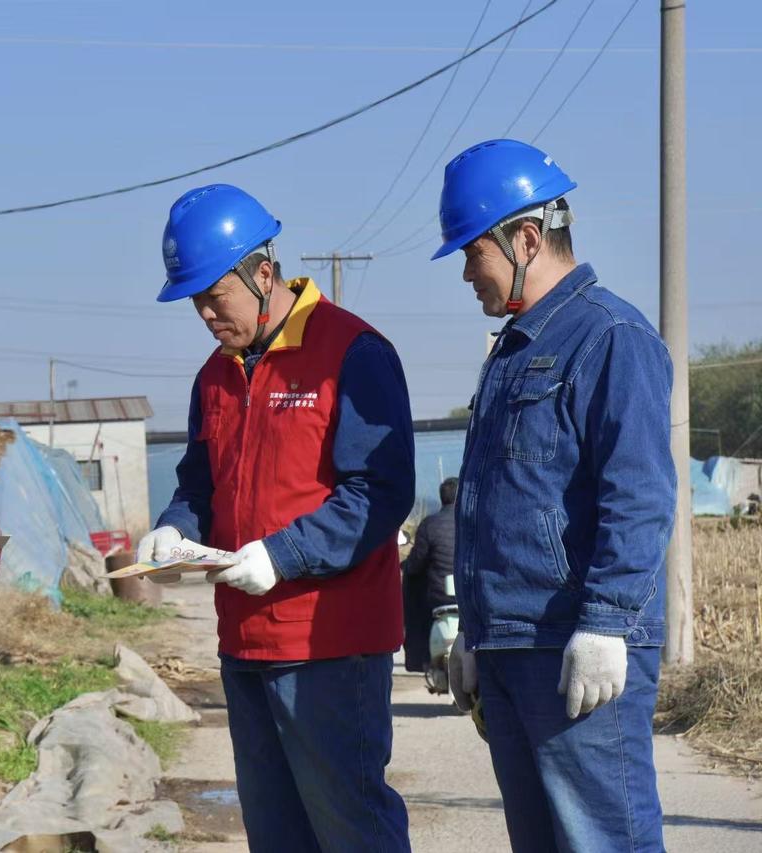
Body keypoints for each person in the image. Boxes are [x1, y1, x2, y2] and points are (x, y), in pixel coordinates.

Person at [142, 184, 415, 851]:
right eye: (195, 301)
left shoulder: (353, 353)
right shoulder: (215, 375)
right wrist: (176, 525)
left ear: (263, 274)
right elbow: (199, 482)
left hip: (330, 643)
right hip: (245, 642)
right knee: (277, 832)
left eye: (215, 295)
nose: (206, 313)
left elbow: (380, 490)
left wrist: (282, 555)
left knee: (352, 826)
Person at [433, 139, 676, 852]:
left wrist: (605, 623)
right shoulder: (513, 352)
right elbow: (492, 505)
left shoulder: (610, 336)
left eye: (472, 253)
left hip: (575, 644)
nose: (467, 274)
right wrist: (475, 632)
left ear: (527, 238)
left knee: (604, 840)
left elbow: (640, 495)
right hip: (513, 644)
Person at [401, 478, 458, 671]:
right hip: (470, 596)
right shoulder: (473, 522)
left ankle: (420, 656)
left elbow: (415, 565)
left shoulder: (429, 524)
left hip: (439, 597)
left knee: (413, 584)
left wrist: (405, 566)